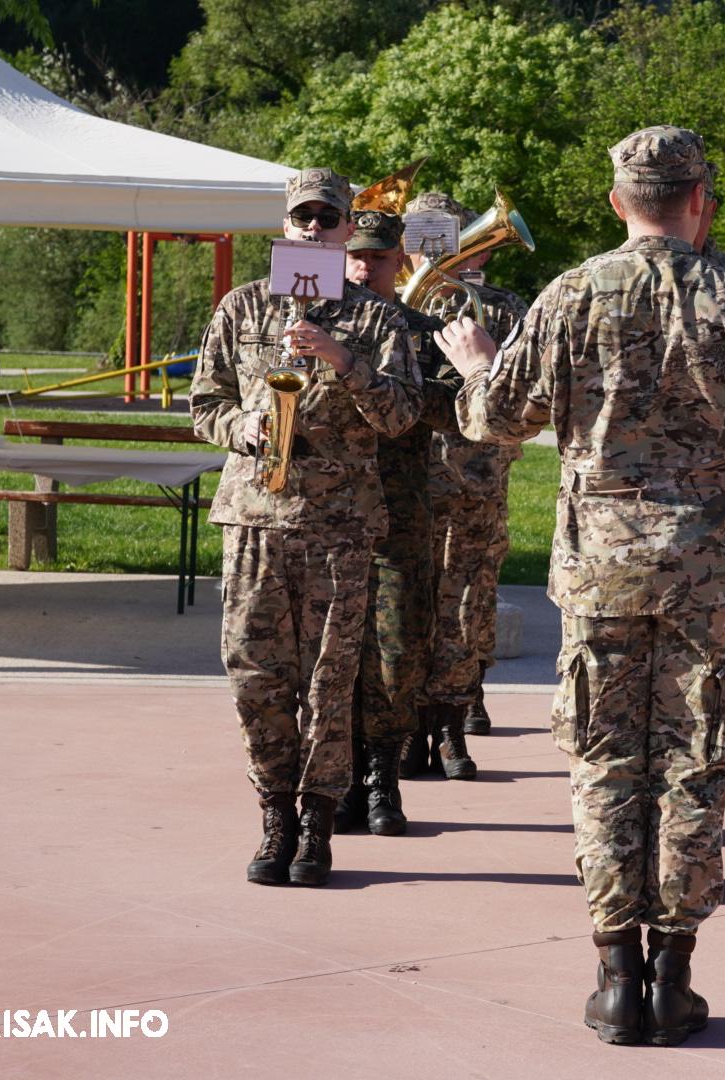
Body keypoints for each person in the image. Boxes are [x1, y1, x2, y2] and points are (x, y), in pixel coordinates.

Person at [435, 125, 725, 1046]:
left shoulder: (568, 295)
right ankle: (672, 979)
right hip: (709, 573)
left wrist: (477, 362)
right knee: (693, 762)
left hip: (600, 565)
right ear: (698, 200)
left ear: (617, 202)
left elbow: (493, 420)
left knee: (604, 762)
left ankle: (613, 979)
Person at [190, 169, 425, 887]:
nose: (316, 230)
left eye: (329, 219)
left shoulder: (378, 319)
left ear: (350, 227)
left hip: (339, 525)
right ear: (287, 226)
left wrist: (344, 361)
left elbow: (402, 416)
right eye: (304, 219)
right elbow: (205, 403)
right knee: (257, 672)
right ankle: (275, 815)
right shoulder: (244, 306)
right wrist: (245, 425)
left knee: (328, 679)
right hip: (256, 517)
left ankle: (318, 822)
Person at [334, 209, 462, 836]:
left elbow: (456, 408)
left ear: (399, 261)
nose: (364, 267)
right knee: (333, 653)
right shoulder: (310, 325)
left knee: (399, 649)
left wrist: (401, 389)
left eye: (378, 257)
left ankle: (383, 774)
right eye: (355, 255)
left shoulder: (422, 331)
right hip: (330, 510)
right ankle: (344, 777)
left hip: (399, 509)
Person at [408, 191, 530, 774]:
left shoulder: (501, 308)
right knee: (408, 605)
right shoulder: (390, 304)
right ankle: (406, 723)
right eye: (420, 235)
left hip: (476, 479)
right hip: (405, 479)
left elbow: (528, 396)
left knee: (468, 605)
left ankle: (454, 719)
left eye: (446, 234)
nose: (432, 247)